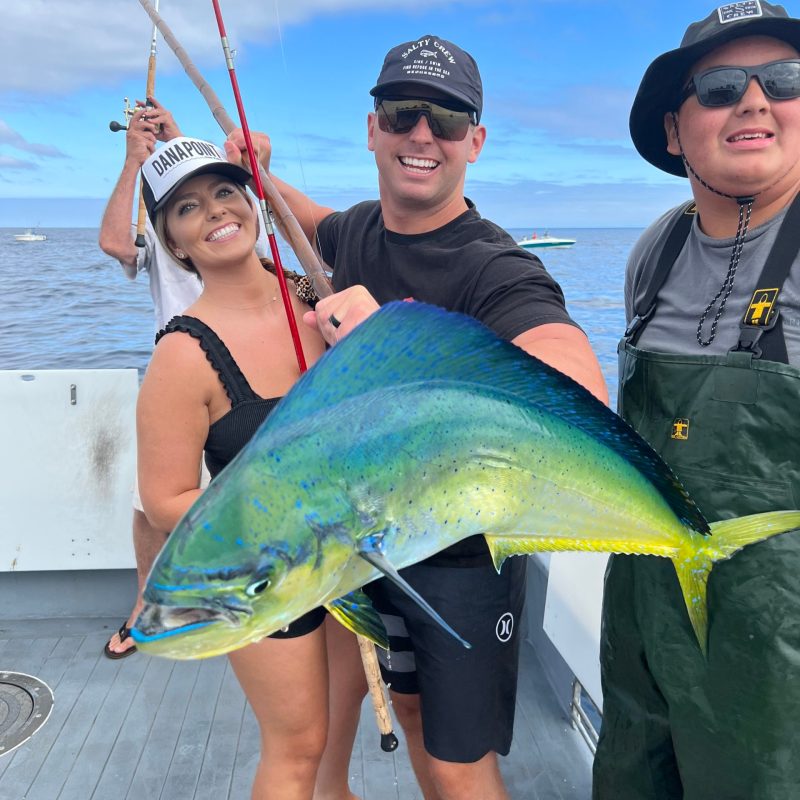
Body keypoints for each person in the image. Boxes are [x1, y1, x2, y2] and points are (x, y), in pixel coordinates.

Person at [228, 34, 607, 800]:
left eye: (447, 115)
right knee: (407, 707)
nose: (422, 133)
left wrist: (400, 346)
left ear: (477, 139)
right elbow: (310, 222)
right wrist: (255, 172)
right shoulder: (359, 231)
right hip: (372, 546)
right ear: (373, 128)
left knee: (455, 763)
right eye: (403, 112)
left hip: (462, 564)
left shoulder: (496, 266)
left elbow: (580, 391)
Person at [593, 4, 800, 798]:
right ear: (675, 131)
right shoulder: (656, 249)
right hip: (645, 629)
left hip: (777, 665)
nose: (752, 101)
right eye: (718, 88)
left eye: (782, 80)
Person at [137, 136, 330, 799]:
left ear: (251, 202)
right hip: (262, 576)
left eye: (225, 191)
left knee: (338, 735)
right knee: (296, 747)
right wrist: (275, 514)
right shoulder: (182, 355)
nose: (215, 212)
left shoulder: (316, 294)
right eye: (187, 208)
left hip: (348, 555)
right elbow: (164, 498)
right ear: (173, 241)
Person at [98, 97, 202, 658]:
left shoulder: (245, 226)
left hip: (246, 383)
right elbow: (116, 243)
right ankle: (146, 603)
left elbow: (210, 183)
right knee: (151, 501)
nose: (208, 213)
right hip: (175, 380)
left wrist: (177, 134)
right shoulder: (163, 235)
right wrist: (135, 159)